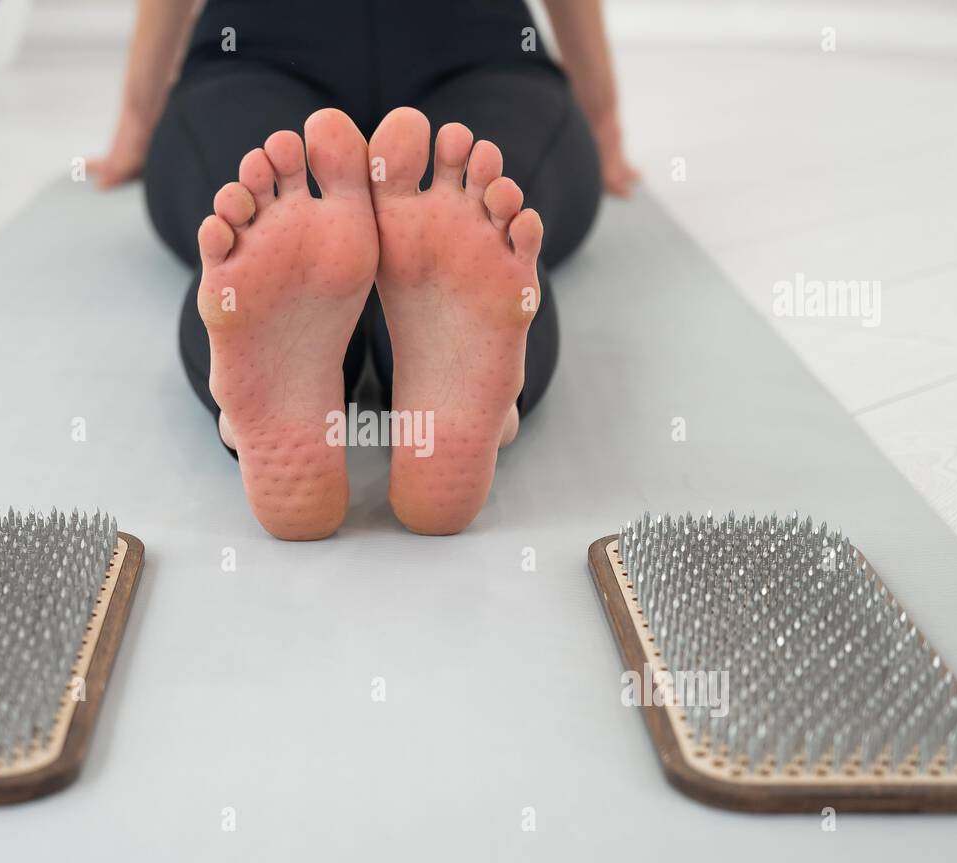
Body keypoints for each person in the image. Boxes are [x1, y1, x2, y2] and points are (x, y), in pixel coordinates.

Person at [91, 0, 637, 540]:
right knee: (497, 203)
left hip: (255, 46)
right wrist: (602, 118)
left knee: (247, 205)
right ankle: (475, 410)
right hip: (480, 46)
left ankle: (264, 409)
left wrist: (137, 122)